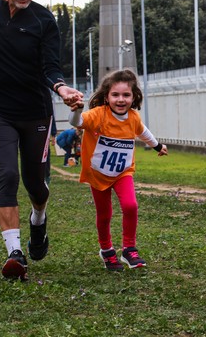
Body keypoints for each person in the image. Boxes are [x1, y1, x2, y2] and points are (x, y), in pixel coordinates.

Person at [0, 0, 83, 280]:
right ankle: (15, 252)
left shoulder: (43, 20)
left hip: (35, 113)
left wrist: (61, 87)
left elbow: (49, 66)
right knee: (7, 174)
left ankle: (38, 221)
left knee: (36, 185)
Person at [68, 69, 168, 271]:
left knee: (131, 205)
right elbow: (77, 123)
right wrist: (77, 109)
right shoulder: (98, 115)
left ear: (134, 97)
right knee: (104, 214)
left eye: (126, 95)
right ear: (106, 97)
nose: (120, 99)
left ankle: (129, 249)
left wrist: (157, 146)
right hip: (98, 173)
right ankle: (107, 251)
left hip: (123, 172)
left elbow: (143, 132)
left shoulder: (133, 118)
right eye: (115, 95)